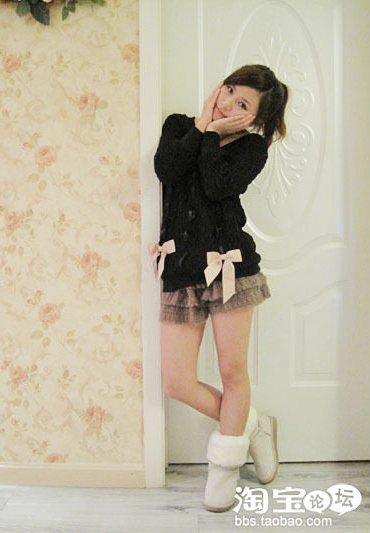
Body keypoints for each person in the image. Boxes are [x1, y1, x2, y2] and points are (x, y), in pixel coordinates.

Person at [150, 64, 289, 513]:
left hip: (230, 269)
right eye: (229, 90)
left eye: (242, 103)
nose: (227, 102)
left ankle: (225, 469)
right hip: (180, 271)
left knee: (232, 371)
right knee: (177, 381)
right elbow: (166, 168)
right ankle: (254, 424)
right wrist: (201, 127)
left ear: (255, 119)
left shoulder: (252, 148)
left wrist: (213, 134)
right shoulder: (177, 126)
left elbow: (215, 186)